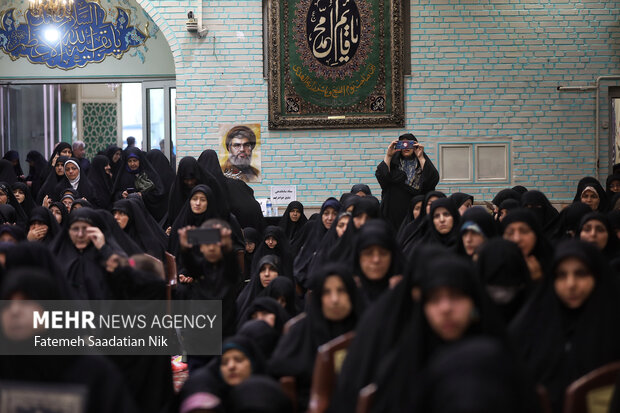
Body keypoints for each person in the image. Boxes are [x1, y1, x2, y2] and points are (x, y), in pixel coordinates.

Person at [509, 239, 620, 412]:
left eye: (581, 273)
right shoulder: (529, 327)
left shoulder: (613, 325)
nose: (571, 284)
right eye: (561, 275)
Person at [269, 262, 363, 411]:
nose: (334, 299)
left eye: (341, 291)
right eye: (327, 292)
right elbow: (280, 370)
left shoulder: (366, 328)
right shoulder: (301, 331)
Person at [375, 133, 439, 230]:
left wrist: (421, 157)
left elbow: (431, 179)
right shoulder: (393, 164)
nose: (406, 147)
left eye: (409, 144)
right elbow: (383, 177)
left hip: (416, 211)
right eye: (402, 144)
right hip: (394, 212)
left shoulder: (420, 163)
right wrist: (388, 155)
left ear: (415, 145)